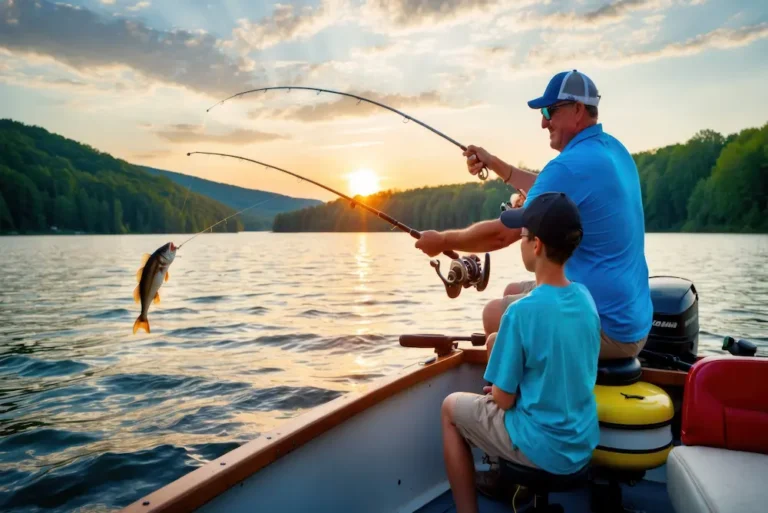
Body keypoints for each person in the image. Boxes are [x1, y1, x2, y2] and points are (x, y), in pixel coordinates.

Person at [416, 69, 652, 360]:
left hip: (606, 327)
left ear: (578, 110)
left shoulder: (569, 166)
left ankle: (520, 389)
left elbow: (502, 235)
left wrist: (442, 241)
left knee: (494, 315)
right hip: (633, 319)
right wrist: (494, 163)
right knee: (511, 290)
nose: (543, 122)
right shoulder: (613, 150)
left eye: (550, 111)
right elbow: (550, 186)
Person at [441, 192, 600, 513]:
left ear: (536, 245)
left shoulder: (521, 312)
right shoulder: (585, 298)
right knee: (495, 343)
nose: (520, 242)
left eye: (523, 236)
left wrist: (498, 391)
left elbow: (503, 400)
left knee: (449, 410)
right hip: (581, 444)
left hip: (543, 447)